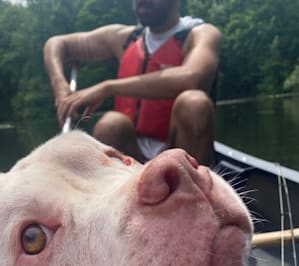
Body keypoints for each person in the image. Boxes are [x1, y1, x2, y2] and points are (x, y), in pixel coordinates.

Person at [43, 0, 221, 165]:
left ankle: (192, 194)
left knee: (194, 103)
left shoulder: (201, 34)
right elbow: (57, 44)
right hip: (132, 159)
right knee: (111, 124)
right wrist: (60, 86)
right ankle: (124, 195)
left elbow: (192, 77)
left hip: (179, 150)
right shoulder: (124, 38)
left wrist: (108, 87)